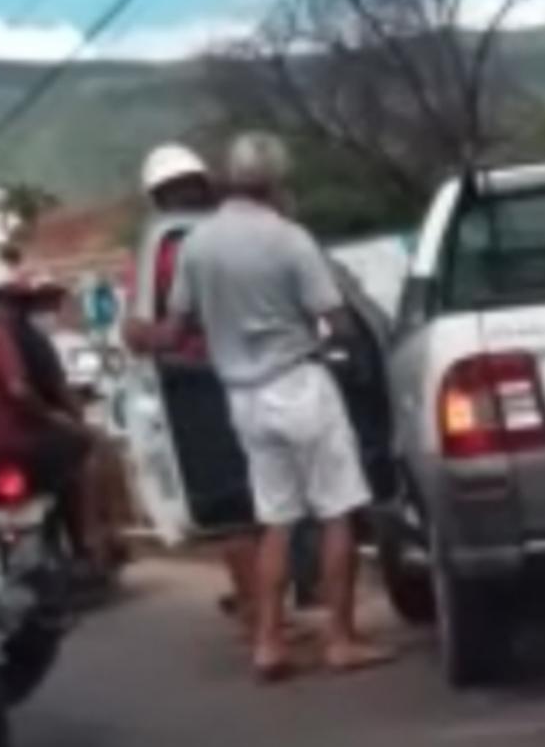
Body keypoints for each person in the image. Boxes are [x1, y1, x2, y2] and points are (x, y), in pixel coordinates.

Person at [127, 132, 389, 681]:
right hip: (299, 383)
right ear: (276, 182)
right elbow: (338, 321)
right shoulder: (289, 239)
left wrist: (138, 333)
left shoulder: (196, 246)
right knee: (337, 513)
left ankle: (268, 642)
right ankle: (340, 640)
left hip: (242, 399)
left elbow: (173, 331)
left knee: (274, 521)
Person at [0, 273, 114, 577]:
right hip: (18, 442)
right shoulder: (2, 338)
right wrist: (59, 418)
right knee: (86, 448)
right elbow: (22, 391)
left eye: (18, 304)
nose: (13, 311)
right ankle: (86, 543)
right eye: (6, 303)